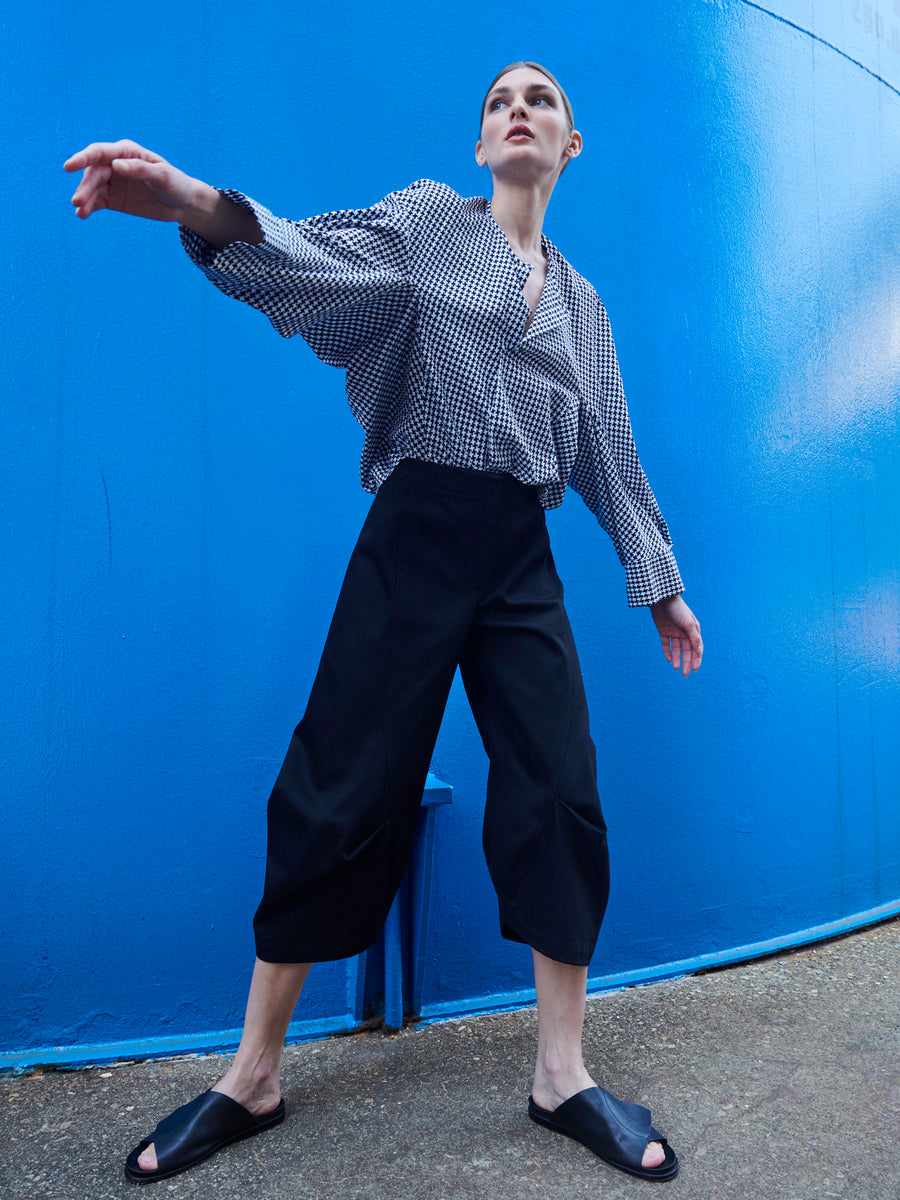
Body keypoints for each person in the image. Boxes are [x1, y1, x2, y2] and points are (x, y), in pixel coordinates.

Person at [65, 61, 702, 1186]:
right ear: (479, 145)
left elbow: (608, 447)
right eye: (501, 100)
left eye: (542, 100)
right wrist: (189, 198)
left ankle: (561, 1072)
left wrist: (657, 581)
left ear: (570, 146)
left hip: (517, 554)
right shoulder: (422, 227)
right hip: (416, 530)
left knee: (559, 785)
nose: (519, 109)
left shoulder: (582, 303)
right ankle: (251, 1075)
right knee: (338, 781)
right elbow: (304, 254)